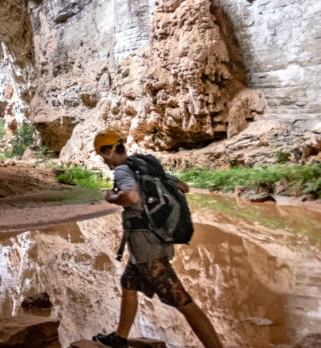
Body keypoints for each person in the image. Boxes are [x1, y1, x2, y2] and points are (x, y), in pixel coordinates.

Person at [91, 130, 223, 348]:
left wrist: (112, 197)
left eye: (102, 155)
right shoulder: (142, 165)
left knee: (182, 299)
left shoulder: (123, 170)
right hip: (159, 238)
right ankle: (120, 338)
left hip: (146, 247)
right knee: (129, 283)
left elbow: (131, 197)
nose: (103, 161)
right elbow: (183, 186)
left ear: (107, 151)